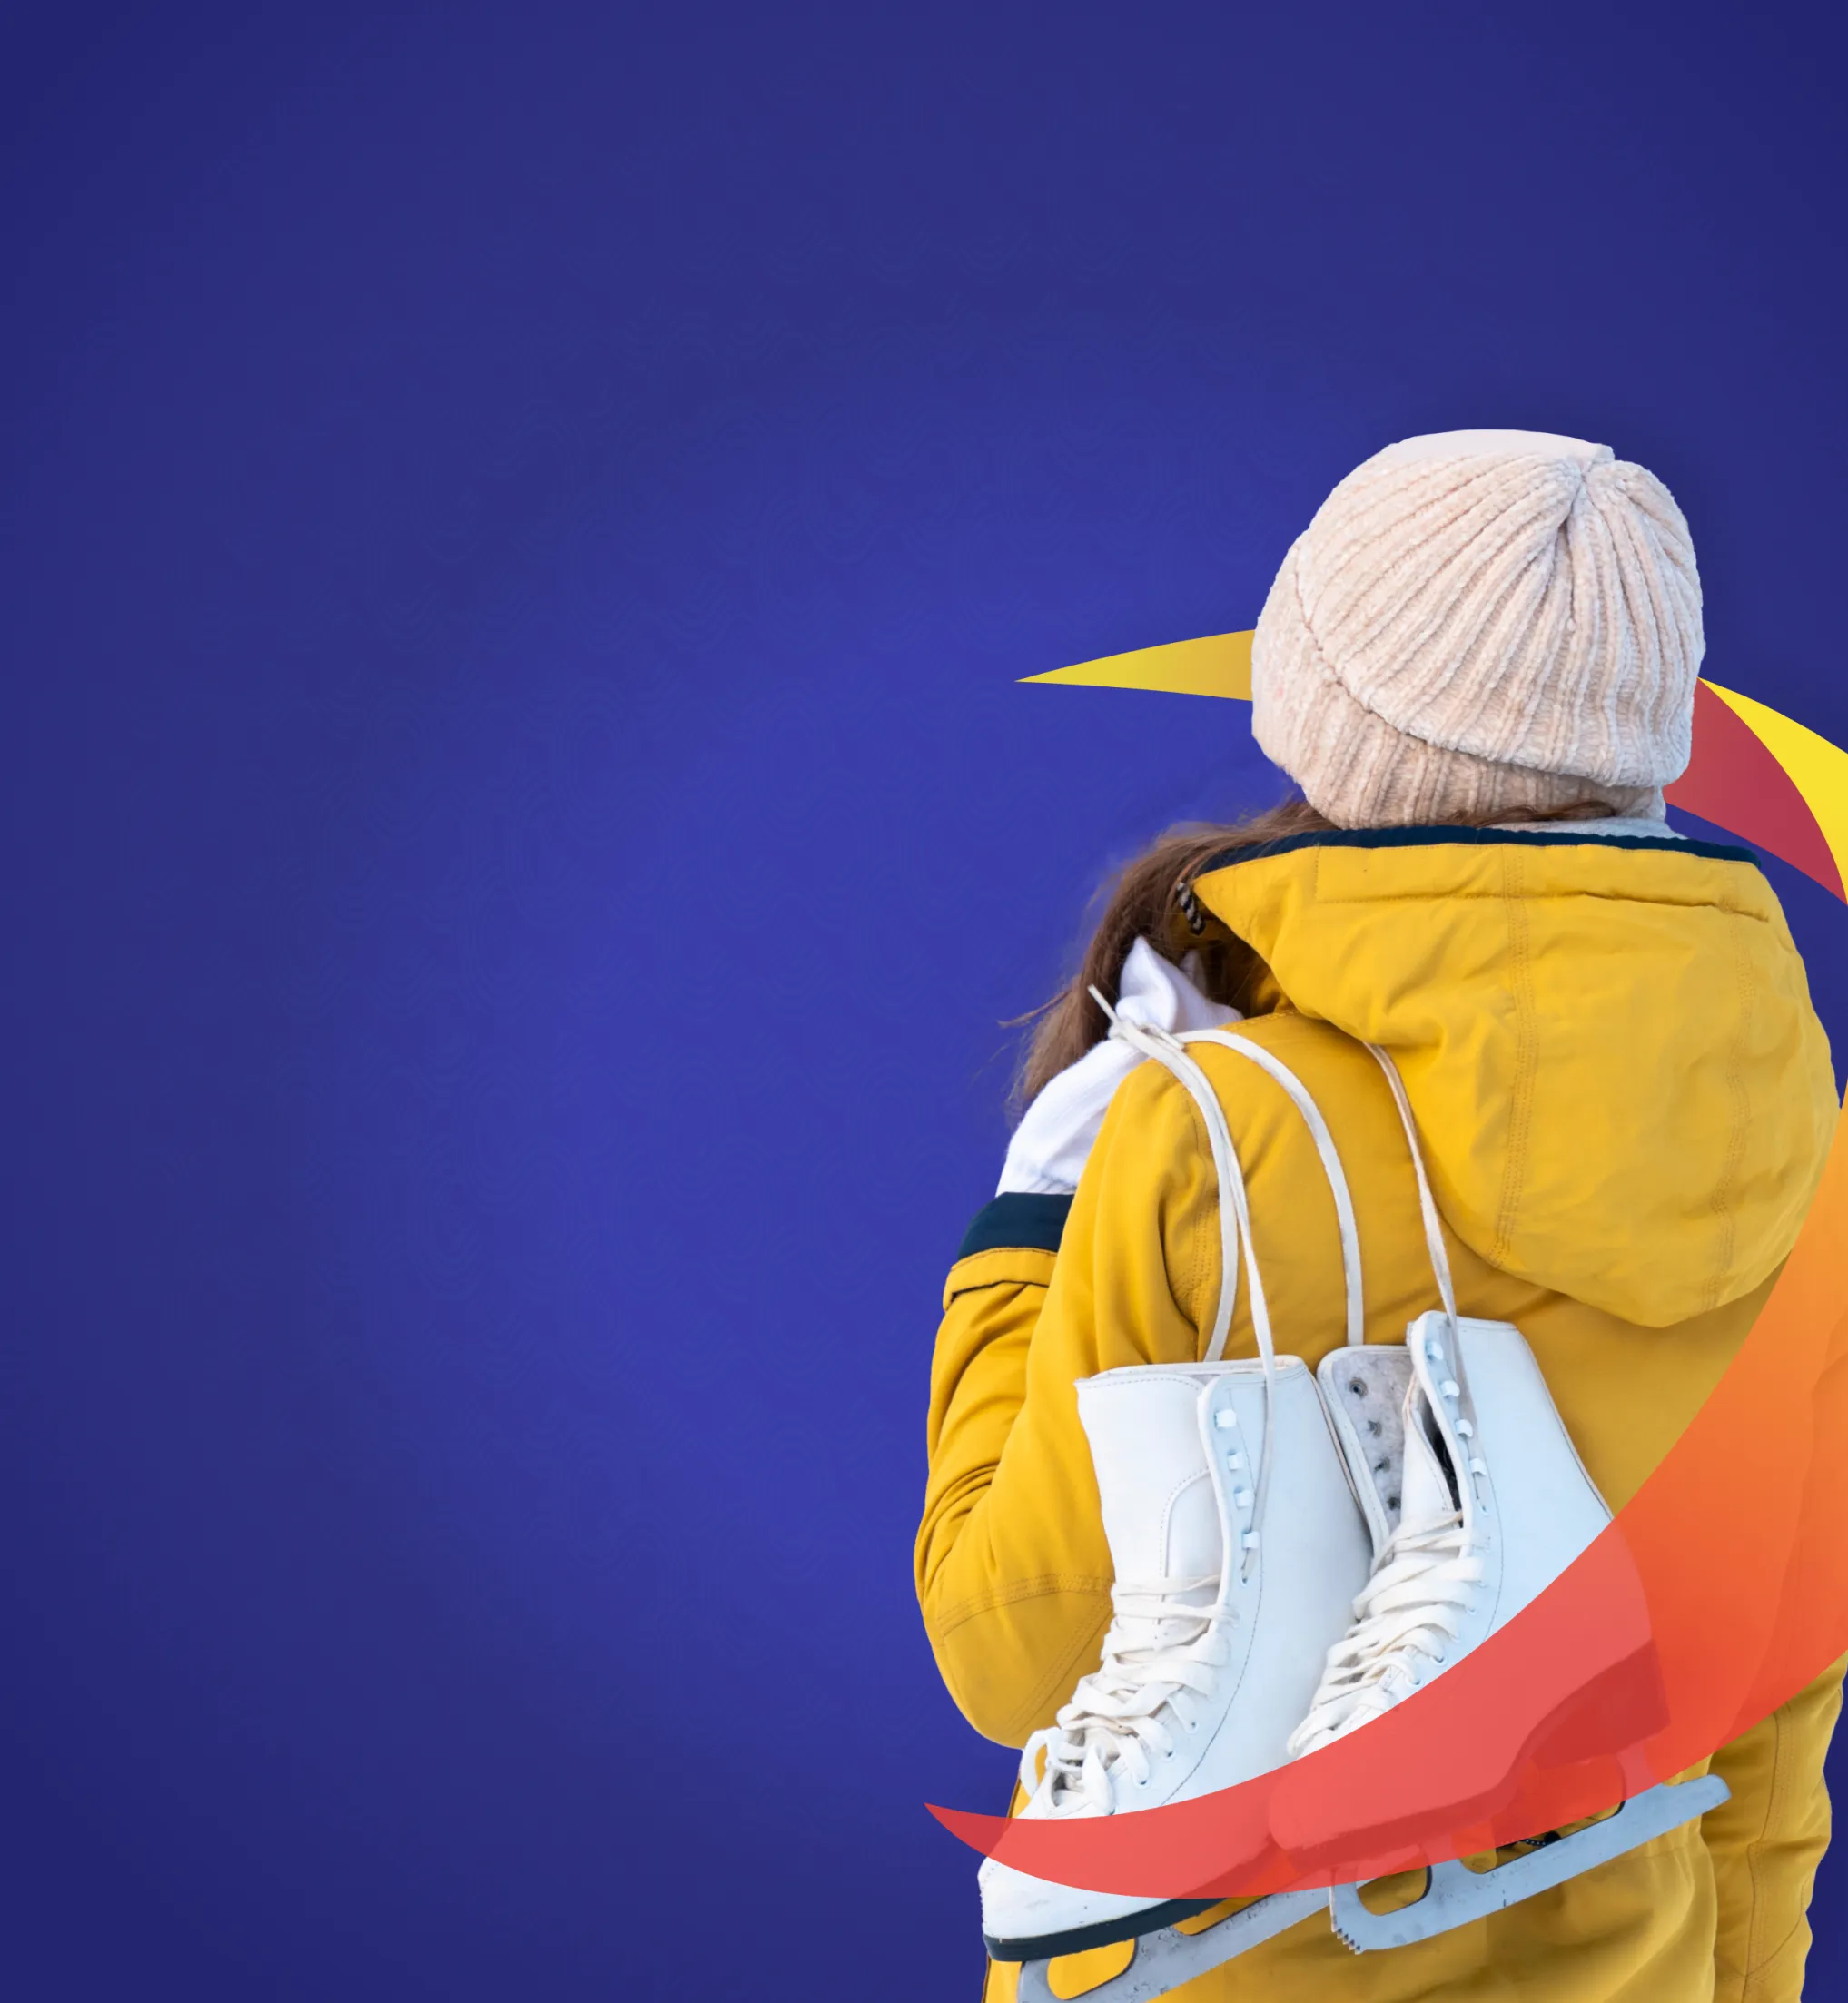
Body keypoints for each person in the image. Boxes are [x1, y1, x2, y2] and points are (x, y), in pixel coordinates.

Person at [916, 430, 1842, 2002]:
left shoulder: (1207, 1132)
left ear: (1317, 707)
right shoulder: (1796, 1151)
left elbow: (1019, 1645)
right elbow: (1767, 1717)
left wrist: (1028, 1231)